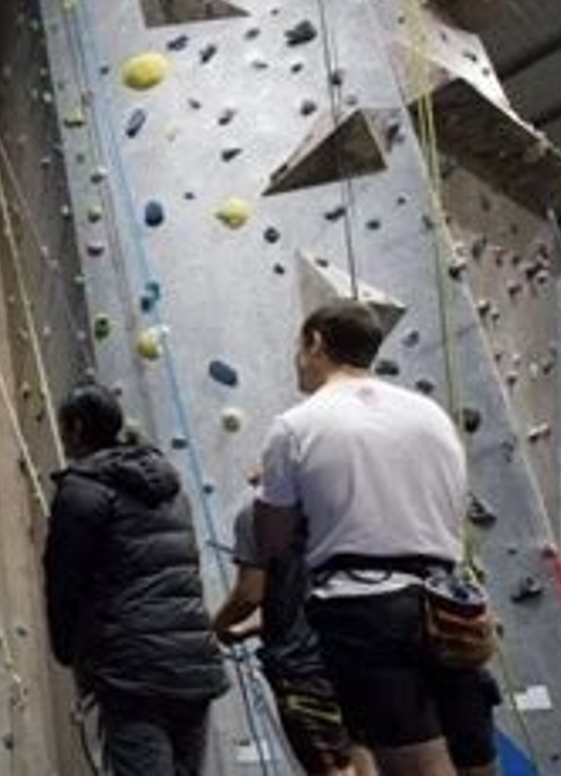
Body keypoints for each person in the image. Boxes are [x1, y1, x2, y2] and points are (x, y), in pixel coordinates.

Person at [253, 300, 499, 776]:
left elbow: (273, 541)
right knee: (477, 764)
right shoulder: (431, 415)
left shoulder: (296, 425)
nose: (297, 360)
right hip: (449, 604)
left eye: (299, 347)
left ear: (316, 343)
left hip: (364, 608)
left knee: (414, 766)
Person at [44, 382, 229, 776]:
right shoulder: (169, 490)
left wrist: (68, 651)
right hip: (192, 660)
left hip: (135, 669)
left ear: (75, 428)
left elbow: (64, 583)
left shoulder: (82, 491)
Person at [212, 502, 369, 776]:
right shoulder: (335, 504)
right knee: (362, 754)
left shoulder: (257, 515)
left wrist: (217, 625)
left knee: (332, 767)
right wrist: (250, 629)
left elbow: (249, 595)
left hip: (303, 668)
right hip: (355, 652)